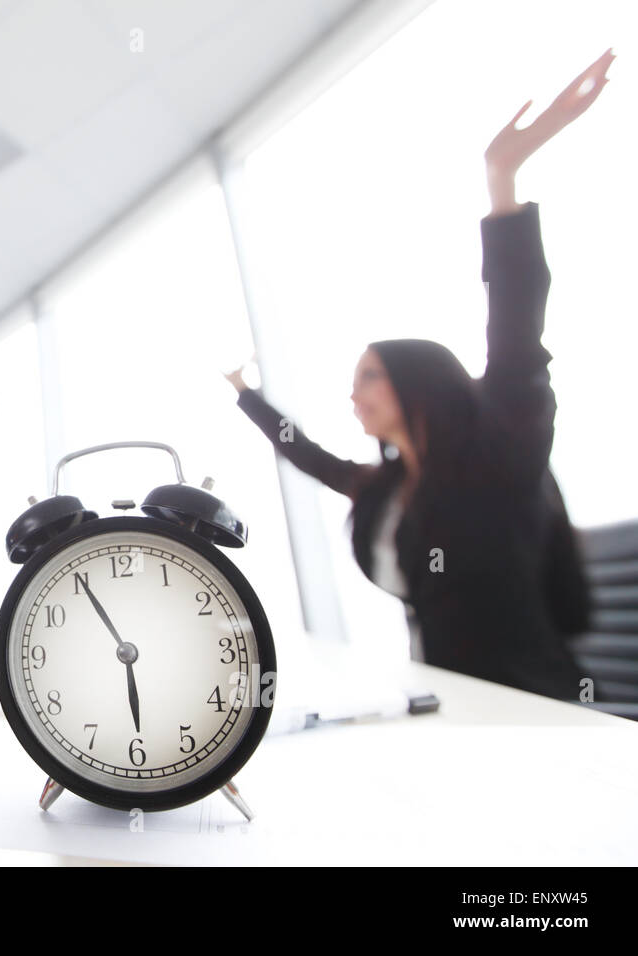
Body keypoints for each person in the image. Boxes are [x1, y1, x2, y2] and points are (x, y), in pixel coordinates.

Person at [223, 49, 615, 701]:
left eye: (369, 376)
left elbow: (515, 334)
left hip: (531, 710)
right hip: (446, 706)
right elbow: (307, 456)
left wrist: (502, 180)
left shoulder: (502, 453)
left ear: (418, 380)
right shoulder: (388, 488)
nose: (354, 393)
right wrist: (245, 395)